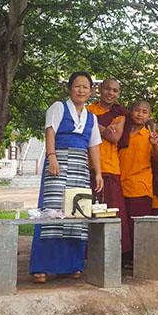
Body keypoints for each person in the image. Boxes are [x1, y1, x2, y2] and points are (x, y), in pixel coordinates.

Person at [29, 71, 103, 283]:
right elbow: (50, 131)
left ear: (91, 91)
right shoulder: (58, 107)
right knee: (52, 212)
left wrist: (98, 172)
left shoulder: (91, 117)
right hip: (58, 162)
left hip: (80, 166)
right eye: (77, 86)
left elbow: (94, 146)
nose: (81, 90)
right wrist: (51, 157)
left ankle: (71, 265)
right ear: (70, 88)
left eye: (85, 87)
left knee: (76, 214)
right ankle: (41, 267)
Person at [86, 79, 132, 254]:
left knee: (112, 211)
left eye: (115, 91)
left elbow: (114, 138)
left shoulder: (120, 114)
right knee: (88, 210)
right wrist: (104, 128)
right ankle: (89, 252)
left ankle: (114, 252)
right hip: (89, 165)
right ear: (99, 90)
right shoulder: (89, 109)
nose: (111, 93)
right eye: (107, 89)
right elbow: (105, 132)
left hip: (111, 167)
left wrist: (93, 123)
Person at [118, 101, 158, 247]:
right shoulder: (121, 132)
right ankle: (124, 256)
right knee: (121, 224)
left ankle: (137, 257)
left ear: (149, 116)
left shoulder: (149, 135)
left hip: (140, 185)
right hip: (120, 184)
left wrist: (155, 144)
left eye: (144, 112)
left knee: (137, 225)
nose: (140, 114)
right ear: (131, 112)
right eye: (137, 110)